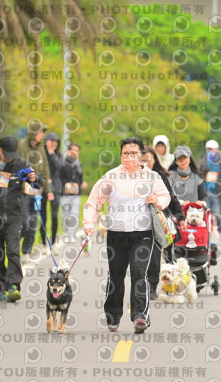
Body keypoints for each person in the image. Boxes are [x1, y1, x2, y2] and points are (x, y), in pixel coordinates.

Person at [83, 138, 171, 334]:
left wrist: (157, 200)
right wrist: (89, 225)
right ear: (121, 155)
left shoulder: (152, 177)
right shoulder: (111, 176)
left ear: (141, 155)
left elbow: (166, 197)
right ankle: (113, 317)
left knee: (139, 274)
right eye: (125, 153)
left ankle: (140, 316)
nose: (129, 157)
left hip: (143, 234)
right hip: (116, 235)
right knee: (116, 275)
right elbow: (94, 201)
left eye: (133, 153)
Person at [0, 136, 43, 302]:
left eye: (12, 154)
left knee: (12, 250)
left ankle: (13, 286)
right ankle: (0, 289)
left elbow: (39, 183)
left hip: (14, 216)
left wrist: (34, 178)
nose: (10, 158)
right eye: (7, 154)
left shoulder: (21, 164)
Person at [141, 146, 186, 300]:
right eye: (142, 160)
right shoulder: (133, 177)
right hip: (138, 221)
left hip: (158, 221)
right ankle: (141, 285)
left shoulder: (160, 177)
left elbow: (171, 198)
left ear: (154, 160)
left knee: (155, 255)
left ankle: (152, 286)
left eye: (148, 160)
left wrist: (180, 216)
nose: (145, 163)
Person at [17, 119, 53, 261]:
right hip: (22, 191)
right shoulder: (21, 146)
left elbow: (45, 170)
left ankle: (26, 252)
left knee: (33, 223)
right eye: (40, 132)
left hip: (37, 191)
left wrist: (48, 190)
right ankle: (14, 244)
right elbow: (16, 167)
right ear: (33, 133)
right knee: (25, 221)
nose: (42, 135)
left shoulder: (41, 149)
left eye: (43, 132)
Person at [39, 132, 62, 253]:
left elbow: (58, 166)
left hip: (55, 188)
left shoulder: (58, 155)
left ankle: (53, 242)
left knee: (54, 215)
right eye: (52, 141)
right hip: (43, 187)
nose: (54, 144)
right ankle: (43, 242)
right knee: (43, 216)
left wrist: (52, 153)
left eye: (56, 142)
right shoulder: (41, 153)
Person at [198, 139, 221, 238]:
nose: (210, 151)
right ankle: (205, 235)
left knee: (218, 213)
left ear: (217, 150)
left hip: (217, 192)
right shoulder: (204, 161)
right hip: (205, 192)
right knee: (204, 214)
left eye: (212, 149)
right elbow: (199, 174)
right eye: (208, 149)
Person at [59, 143, 88, 241]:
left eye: (77, 151)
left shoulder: (78, 164)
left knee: (75, 213)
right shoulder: (63, 163)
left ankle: (72, 235)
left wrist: (82, 183)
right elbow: (59, 177)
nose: (76, 152)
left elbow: (80, 178)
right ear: (69, 151)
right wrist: (65, 184)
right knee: (65, 214)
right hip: (65, 193)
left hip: (76, 193)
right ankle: (66, 231)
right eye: (74, 150)